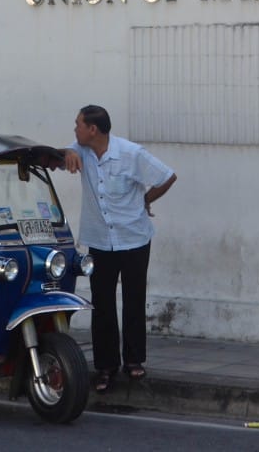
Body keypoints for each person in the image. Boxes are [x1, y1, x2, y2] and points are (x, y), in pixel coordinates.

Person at [63, 104, 176, 393]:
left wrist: (145, 200)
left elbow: (167, 177)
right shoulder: (81, 150)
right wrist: (67, 152)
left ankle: (134, 360)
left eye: (78, 125)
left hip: (133, 237)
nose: (74, 129)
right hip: (100, 240)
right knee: (102, 303)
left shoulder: (131, 153)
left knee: (134, 299)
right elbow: (61, 154)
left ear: (93, 129)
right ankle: (106, 366)